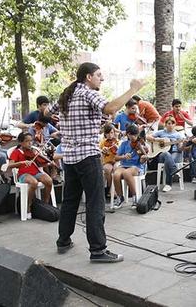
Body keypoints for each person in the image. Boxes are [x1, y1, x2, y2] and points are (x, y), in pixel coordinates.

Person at [50, 62, 145, 263]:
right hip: (87, 156)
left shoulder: (67, 93)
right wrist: (133, 89)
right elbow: (110, 107)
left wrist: (78, 123)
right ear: (88, 77)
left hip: (69, 157)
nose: (102, 79)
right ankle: (98, 250)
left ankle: (63, 241)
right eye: (99, 75)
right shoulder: (87, 92)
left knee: (70, 201)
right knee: (95, 203)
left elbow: (48, 112)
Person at [7, 132, 54, 219]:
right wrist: (22, 162)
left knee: (49, 180)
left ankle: (45, 204)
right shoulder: (16, 152)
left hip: (36, 173)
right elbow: (9, 165)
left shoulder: (33, 151)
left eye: (31, 141)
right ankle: (28, 206)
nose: (30, 143)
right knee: (33, 182)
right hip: (23, 174)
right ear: (21, 143)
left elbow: (40, 164)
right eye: (27, 141)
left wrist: (47, 162)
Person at [113, 124, 149, 207]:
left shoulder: (140, 145)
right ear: (128, 134)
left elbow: (142, 160)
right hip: (124, 165)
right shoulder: (124, 144)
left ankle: (135, 197)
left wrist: (144, 157)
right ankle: (120, 197)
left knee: (127, 173)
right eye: (131, 135)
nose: (134, 137)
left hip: (137, 166)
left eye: (136, 135)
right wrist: (124, 156)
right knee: (116, 174)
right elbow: (116, 158)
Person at [147, 115, 185, 192]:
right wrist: (158, 140)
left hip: (174, 153)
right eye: (169, 123)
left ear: (175, 124)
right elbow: (147, 137)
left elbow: (180, 149)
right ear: (165, 124)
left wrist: (183, 144)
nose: (170, 125)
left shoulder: (178, 135)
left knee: (168, 160)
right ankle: (174, 171)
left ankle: (168, 184)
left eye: (172, 124)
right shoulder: (161, 132)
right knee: (166, 154)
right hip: (161, 155)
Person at [100, 123, 119, 199]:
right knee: (107, 169)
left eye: (111, 133)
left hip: (116, 160)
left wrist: (117, 148)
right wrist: (103, 150)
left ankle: (114, 190)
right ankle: (111, 187)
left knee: (116, 168)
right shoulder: (103, 142)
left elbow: (121, 153)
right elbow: (101, 153)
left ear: (114, 133)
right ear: (105, 134)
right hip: (107, 161)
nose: (110, 135)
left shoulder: (117, 141)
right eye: (108, 133)